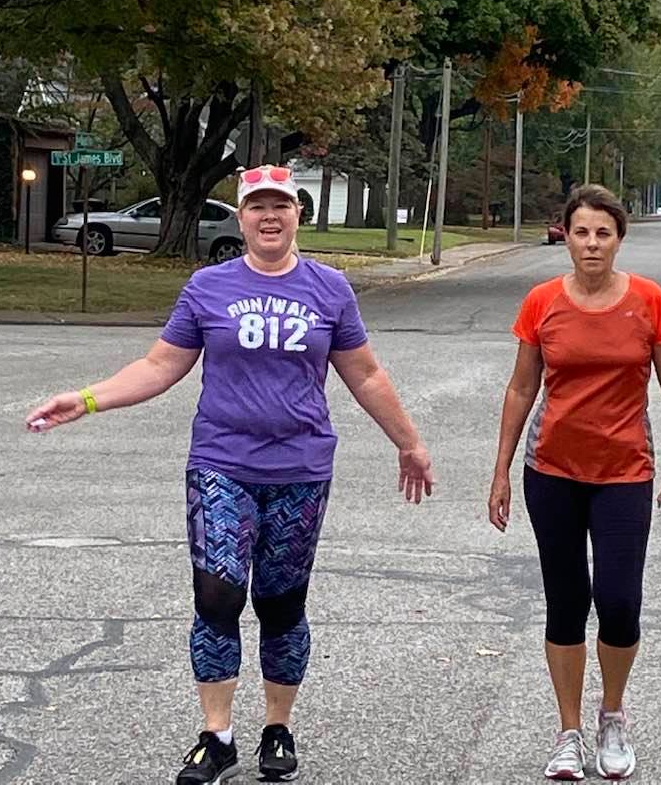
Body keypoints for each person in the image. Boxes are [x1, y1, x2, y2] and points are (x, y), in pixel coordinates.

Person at [26, 164, 434, 785]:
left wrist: (409, 443)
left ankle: (277, 729)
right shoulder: (208, 287)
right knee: (217, 595)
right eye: (256, 207)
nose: (269, 217)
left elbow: (366, 374)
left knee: (281, 602)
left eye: (281, 206)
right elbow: (160, 366)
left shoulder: (329, 289)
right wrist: (85, 400)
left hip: (300, 468)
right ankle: (216, 737)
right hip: (221, 464)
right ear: (241, 218)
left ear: (298, 214)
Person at [488, 184, 661, 781]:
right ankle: (569, 731)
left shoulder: (648, 301)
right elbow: (521, 388)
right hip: (551, 471)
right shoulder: (542, 302)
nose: (592, 243)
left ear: (619, 239)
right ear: (566, 238)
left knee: (620, 603)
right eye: (581, 232)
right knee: (567, 602)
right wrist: (501, 471)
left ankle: (613, 715)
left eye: (603, 233)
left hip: (625, 472)